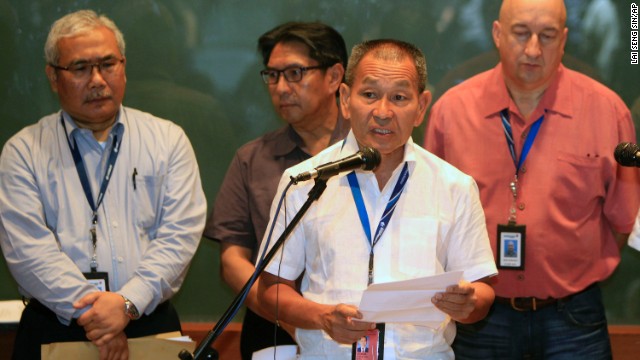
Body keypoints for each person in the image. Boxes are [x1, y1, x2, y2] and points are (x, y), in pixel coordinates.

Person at [423, 0, 640, 358]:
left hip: (573, 316)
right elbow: (433, 217)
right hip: (479, 316)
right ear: (497, 34)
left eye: (548, 35)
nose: (533, 49)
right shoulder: (452, 111)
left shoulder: (606, 110)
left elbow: (620, 219)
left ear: (565, 38)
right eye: (521, 33)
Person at [257, 39, 497, 359]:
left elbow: (481, 293)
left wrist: (469, 303)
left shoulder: (453, 186)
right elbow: (270, 289)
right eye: (369, 94)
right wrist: (322, 317)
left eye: (399, 97)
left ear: (421, 107)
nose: (383, 112)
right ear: (345, 99)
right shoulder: (305, 182)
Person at [0, 10, 206, 360]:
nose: (97, 80)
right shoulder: (24, 150)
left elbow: (179, 235)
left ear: (123, 66)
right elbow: (28, 250)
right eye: (80, 68)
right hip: (53, 325)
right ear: (53, 77)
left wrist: (125, 305)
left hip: (148, 320)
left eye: (107, 64)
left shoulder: (168, 140)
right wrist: (95, 316)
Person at [202, 22, 349, 359]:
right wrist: (283, 312)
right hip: (269, 329)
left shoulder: (370, 154)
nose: (281, 87)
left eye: (295, 73)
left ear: (334, 76)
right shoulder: (252, 159)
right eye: (272, 75)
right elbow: (232, 259)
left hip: (355, 324)